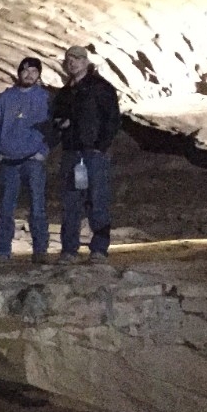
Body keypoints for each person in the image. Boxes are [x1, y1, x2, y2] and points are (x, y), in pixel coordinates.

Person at [52, 45, 121, 263]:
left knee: (97, 200)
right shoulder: (64, 93)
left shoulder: (101, 88)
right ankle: (69, 249)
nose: (73, 62)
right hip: (72, 153)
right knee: (71, 202)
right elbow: (57, 117)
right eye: (69, 59)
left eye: (77, 59)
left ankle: (99, 248)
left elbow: (112, 119)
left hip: (93, 154)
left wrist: (101, 146)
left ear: (86, 62)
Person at [0, 57, 52, 263]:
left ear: (39, 74)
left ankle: (40, 250)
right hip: (8, 160)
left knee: (37, 205)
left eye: (34, 71)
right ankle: (3, 250)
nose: (29, 74)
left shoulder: (45, 98)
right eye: (25, 70)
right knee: (6, 207)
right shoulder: (5, 98)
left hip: (33, 159)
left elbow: (52, 128)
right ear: (19, 73)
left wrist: (43, 151)